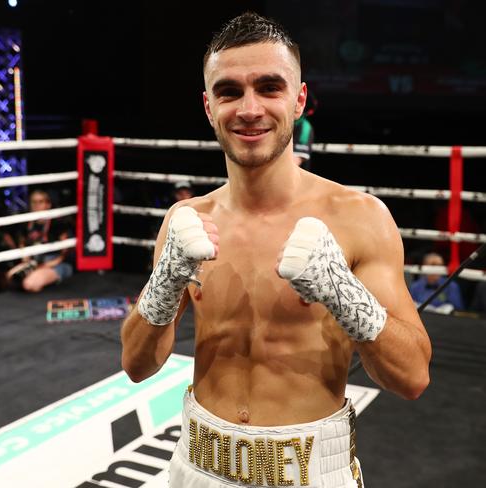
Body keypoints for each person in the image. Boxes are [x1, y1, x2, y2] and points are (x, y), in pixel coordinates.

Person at [120, 12, 431, 488]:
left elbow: (411, 377)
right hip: (197, 466)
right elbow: (137, 365)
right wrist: (166, 280)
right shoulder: (186, 222)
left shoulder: (359, 218)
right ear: (208, 106)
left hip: (311, 473)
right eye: (229, 91)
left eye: (269, 87)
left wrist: (342, 291)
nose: (249, 109)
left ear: (299, 99)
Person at [6, 189, 73, 292]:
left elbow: (66, 253)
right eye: (34, 202)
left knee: (29, 284)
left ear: (48, 204)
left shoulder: (57, 222)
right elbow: (22, 244)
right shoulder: (27, 223)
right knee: (9, 277)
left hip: (55, 263)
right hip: (35, 262)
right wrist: (27, 261)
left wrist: (45, 265)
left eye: (40, 202)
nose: (37, 205)